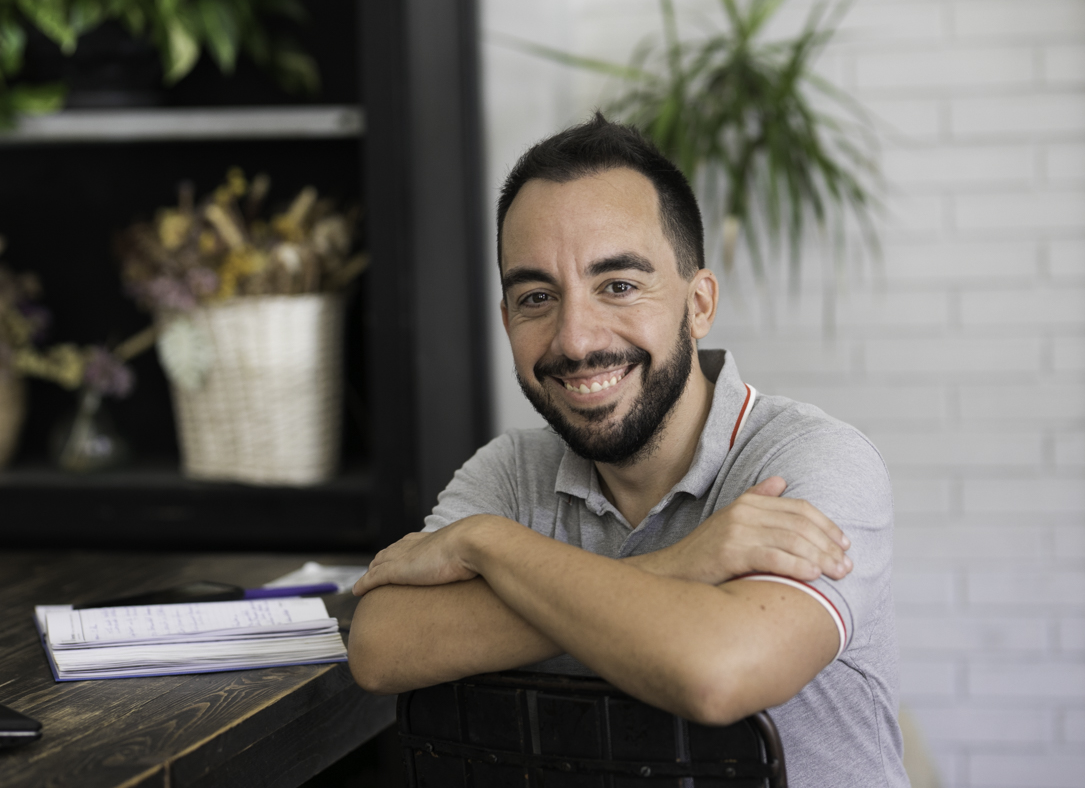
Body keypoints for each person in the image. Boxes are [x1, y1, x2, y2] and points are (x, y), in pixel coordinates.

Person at [348, 113, 909, 788]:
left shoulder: (812, 462)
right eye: (536, 297)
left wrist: (488, 545)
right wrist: (680, 565)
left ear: (699, 305)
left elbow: (719, 673)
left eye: (618, 285)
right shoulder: (511, 473)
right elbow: (380, 644)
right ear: (506, 320)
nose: (576, 340)